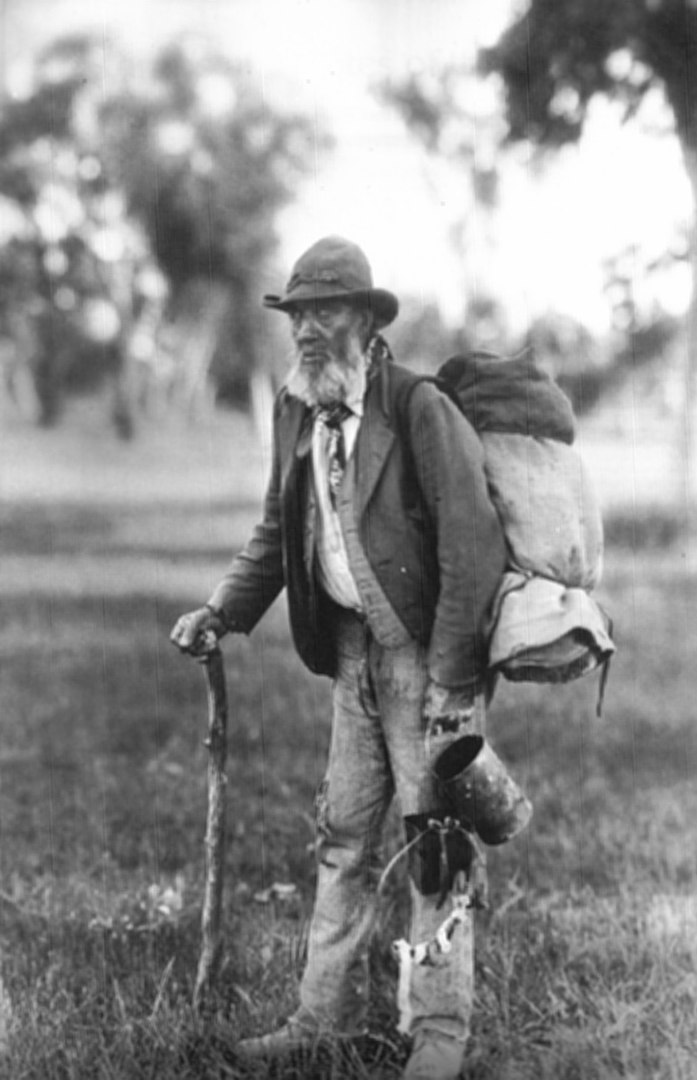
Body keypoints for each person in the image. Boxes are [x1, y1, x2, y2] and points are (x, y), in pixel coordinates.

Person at [170, 236, 506, 1079]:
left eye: (325, 313)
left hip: (428, 660)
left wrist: (451, 683)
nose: (308, 332)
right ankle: (321, 1020)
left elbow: (474, 549)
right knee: (344, 838)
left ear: (365, 319)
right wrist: (221, 611)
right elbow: (277, 529)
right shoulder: (296, 408)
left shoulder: (417, 409)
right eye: (296, 316)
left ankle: (436, 1036)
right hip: (352, 658)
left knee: (435, 846)